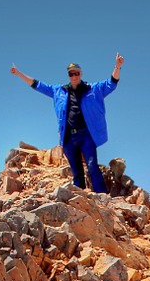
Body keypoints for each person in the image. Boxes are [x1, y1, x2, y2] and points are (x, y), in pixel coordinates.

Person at [10, 54, 124, 193]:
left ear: (81, 74)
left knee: (92, 166)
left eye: (76, 73)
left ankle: (102, 196)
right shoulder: (58, 91)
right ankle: (80, 197)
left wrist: (117, 66)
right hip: (69, 137)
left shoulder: (93, 89)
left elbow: (111, 83)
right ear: (68, 75)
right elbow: (38, 85)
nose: (74, 76)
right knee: (76, 171)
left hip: (86, 135)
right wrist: (19, 74)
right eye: (71, 74)